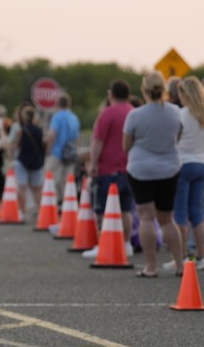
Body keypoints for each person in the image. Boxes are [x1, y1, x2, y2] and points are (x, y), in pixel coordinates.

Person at [122, 72, 184, 277]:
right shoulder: (175, 112)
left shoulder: (135, 115)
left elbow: (126, 145)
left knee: (146, 218)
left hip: (141, 169)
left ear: (144, 90)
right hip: (169, 168)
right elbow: (177, 138)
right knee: (167, 219)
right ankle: (180, 265)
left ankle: (151, 267)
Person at [164, 76, 204, 272]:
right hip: (202, 163)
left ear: (185, 95)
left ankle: (182, 256)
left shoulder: (180, 114)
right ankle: (202, 257)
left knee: (180, 213)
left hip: (183, 164)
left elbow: (173, 140)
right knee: (198, 212)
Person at [84, 80, 135, 259]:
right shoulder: (132, 112)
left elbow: (98, 141)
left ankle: (104, 244)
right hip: (128, 168)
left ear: (110, 94)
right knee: (126, 209)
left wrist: (93, 163)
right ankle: (126, 244)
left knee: (105, 209)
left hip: (108, 169)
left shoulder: (107, 113)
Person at [9, 104, 46, 220]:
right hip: (36, 161)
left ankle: (22, 212)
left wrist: (11, 157)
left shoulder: (21, 130)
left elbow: (16, 145)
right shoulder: (39, 130)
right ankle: (40, 212)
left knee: (22, 187)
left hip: (23, 160)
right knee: (37, 188)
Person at [45, 94, 81, 189]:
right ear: (69, 104)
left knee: (53, 180)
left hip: (57, 152)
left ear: (58, 103)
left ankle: (57, 197)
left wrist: (48, 150)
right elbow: (76, 138)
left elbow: (52, 134)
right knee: (67, 181)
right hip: (70, 153)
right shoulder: (74, 118)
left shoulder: (57, 117)